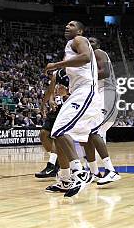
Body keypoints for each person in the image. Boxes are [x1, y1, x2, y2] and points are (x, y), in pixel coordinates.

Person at [44, 21, 101, 197]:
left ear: (80, 30)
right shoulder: (71, 45)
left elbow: (86, 57)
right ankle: (65, 179)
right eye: (66, 24)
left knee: (60, 130)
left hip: (85, 91)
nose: (67, 26)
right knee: (56, 133)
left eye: (72, 24)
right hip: (77, 92)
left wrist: (56, 65)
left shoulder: (79, 39)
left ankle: (79, 172)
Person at [86, 37, 120, 185]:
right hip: (97, 95)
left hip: (107, 92)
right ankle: (94, 172)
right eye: (88, 41)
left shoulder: (98, 52)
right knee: (87, 133)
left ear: (98, 45)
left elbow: (105, 72)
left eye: (92, 41)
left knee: (94, 130)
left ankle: (111, 171)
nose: (89, 43)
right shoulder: (88, 60)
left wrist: (84, 77)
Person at [35, 68, 69, 179]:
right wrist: (47, 102)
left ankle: (52, 165)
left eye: (50, 73)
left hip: (67, 108)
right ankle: (57, 161)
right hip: (56, 109)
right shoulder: (55, 78)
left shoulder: (70, 73)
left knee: (57, 136)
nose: (49, 75)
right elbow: (50, 91)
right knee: (43, 134)